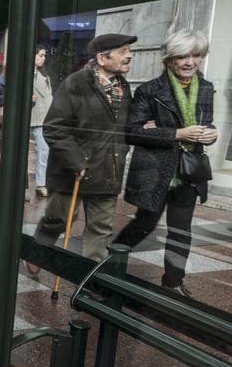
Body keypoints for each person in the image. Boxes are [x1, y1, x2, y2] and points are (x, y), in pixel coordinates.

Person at [112, 30, 216, 297]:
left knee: (181, 231)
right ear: (169, 60)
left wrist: (211, 133)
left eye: (196, 55)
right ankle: (106, 269)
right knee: (143, 225)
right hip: (156, 170)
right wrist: (176, 134)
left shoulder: (205, 87)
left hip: (189, 171)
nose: (190, 62)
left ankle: (173, 282)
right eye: (183, 56)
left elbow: (206, 124)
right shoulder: (150, 90)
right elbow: (132, 131)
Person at [32, 33, 135, 268]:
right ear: (101, 57)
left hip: (108, 170)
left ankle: (91, 279)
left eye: (129, 50)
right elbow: (54, 128)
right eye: (122, 51)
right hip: (74, 171)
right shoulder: (75, 83)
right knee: (58, 220)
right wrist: (77, 161)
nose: (129, 55)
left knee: (101, 229)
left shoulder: (123, 87)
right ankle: (37, 253)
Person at [31, 46, 53, 197]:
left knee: (44, 152)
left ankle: (41, 183)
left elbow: (49, 98)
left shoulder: (44, 76)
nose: (43, 58)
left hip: (42, 118)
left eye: (44, 56)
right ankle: (3, 177)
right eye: (40, 55)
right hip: (25, 118)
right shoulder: (21, 75)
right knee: (14, 152)